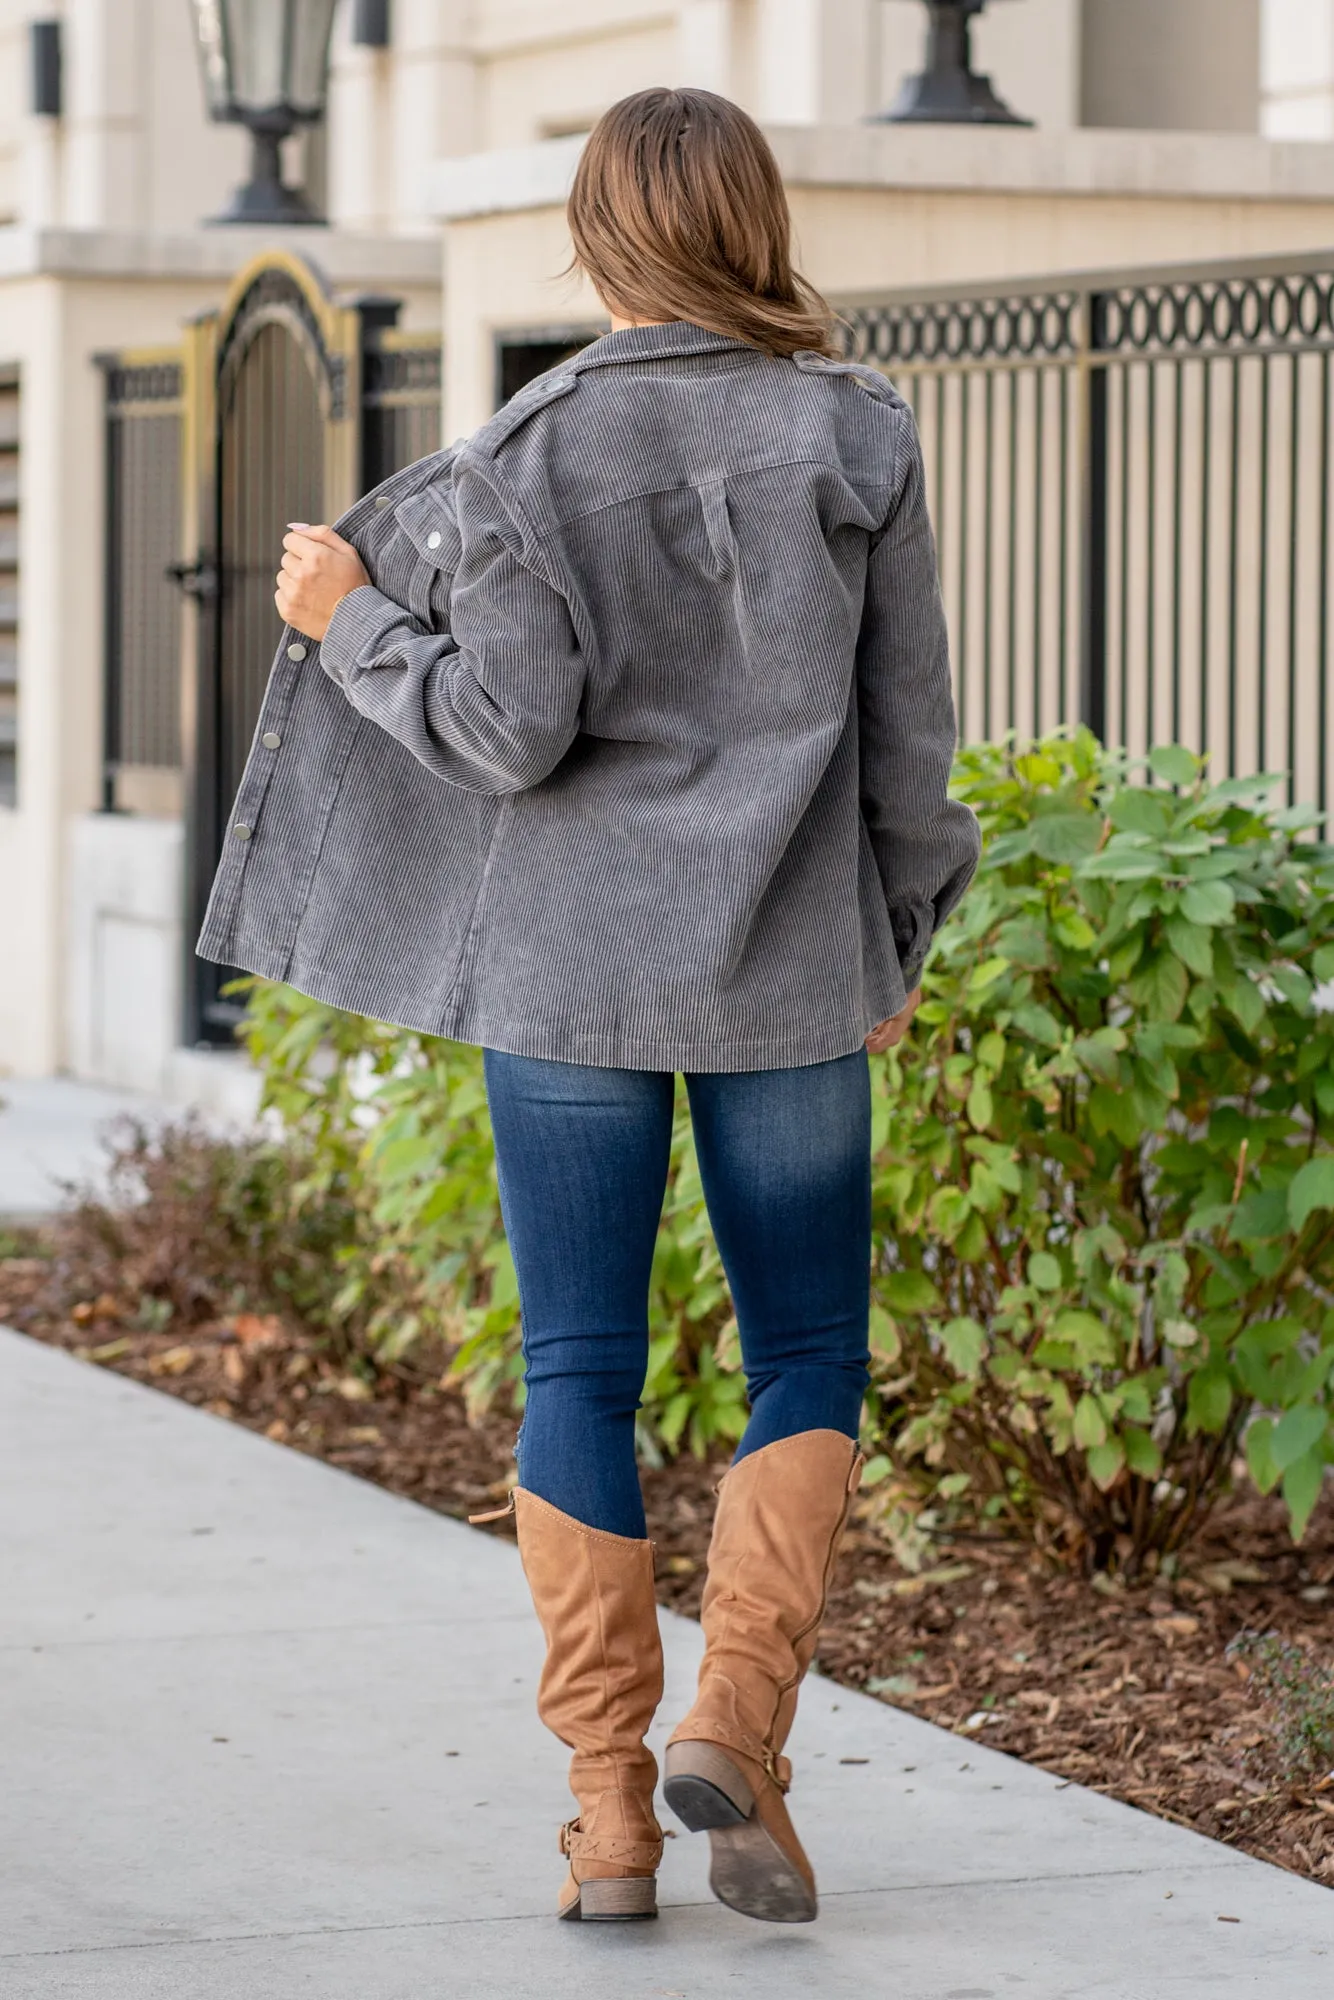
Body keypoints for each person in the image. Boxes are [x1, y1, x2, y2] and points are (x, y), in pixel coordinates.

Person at [204, 86, 979, 1929]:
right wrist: (898, 938)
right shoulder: (855, 433)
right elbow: (910, 749)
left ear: (601, 228)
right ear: (752, 216)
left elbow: (500, 733)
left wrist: (348, 623)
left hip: (565, 984)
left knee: (577, 1366)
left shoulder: (524, 460)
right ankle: (741, 1724)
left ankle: (611, 1816)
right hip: (792, 977)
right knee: (803, 1352)